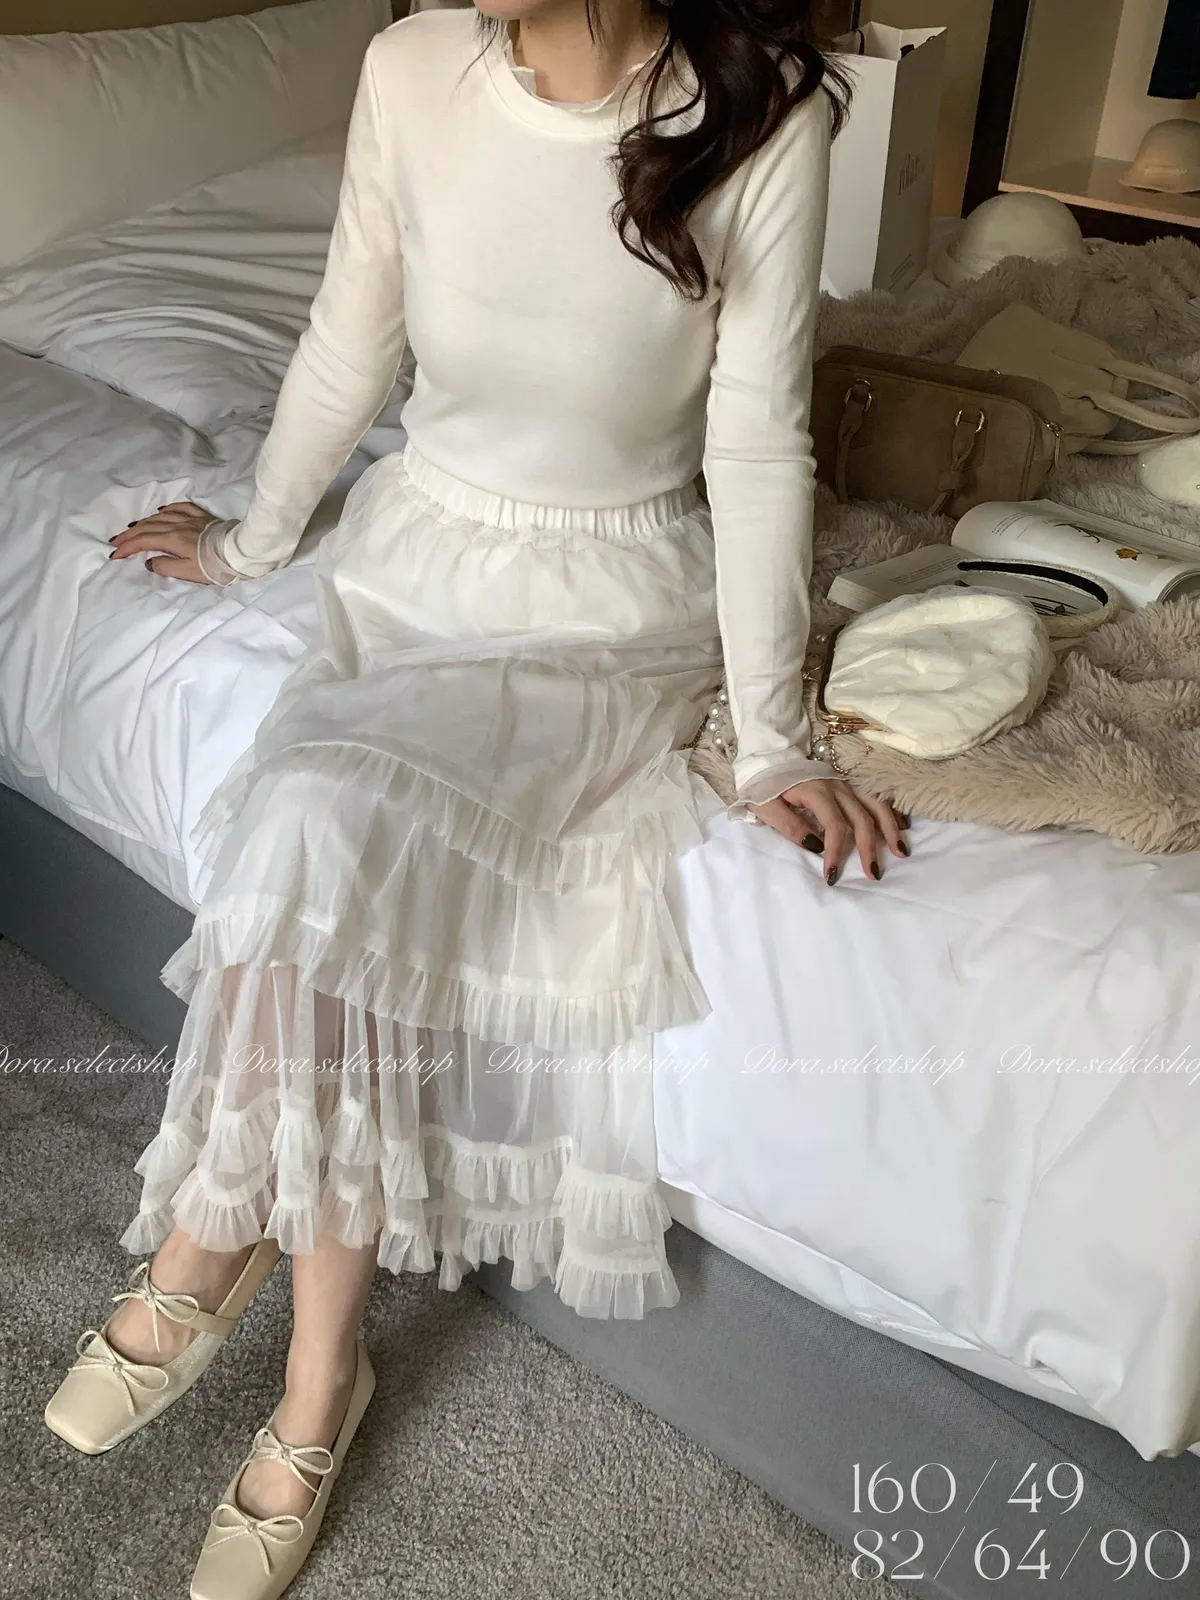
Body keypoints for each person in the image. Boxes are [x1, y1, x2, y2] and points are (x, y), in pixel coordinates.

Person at [45, 3, 909, 1595]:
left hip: (608, 601)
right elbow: (349, 339)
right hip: (417, 565)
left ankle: (255, 1307)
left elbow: (759, 443)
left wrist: (777, 741)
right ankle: (308, 1351)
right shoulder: (408, 69)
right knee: (314, 824)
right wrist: (249, 543)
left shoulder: (766, 116)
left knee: (335, 837)